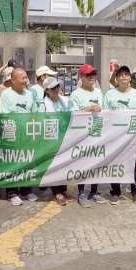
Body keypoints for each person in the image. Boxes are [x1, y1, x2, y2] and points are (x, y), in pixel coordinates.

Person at [102, 65, 136, 204]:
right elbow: (104, 115)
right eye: (121, 74)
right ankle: (115, 191)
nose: (124, 76)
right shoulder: (109, 94)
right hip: (115, 137)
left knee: (134, 164)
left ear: (130, 78)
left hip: (132, 137)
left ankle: (135, 191)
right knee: (115, 163)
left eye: (127, 74)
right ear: (117, 78)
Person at [0, 68, 39, 206]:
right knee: (13, 163)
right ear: (13, 80)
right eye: (22, 78)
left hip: (27, 134)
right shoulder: (6, 94)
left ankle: (26, 190)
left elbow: (34, 114)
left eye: (26, 77)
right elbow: (3, 114)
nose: (25, 80)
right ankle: (12, 192)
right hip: (12, 134)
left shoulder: (30, 94)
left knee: (27, 161)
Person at [69, 64, 107, 206]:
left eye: (93, 74)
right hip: (81, 135)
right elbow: (72, 115)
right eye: (88, 75)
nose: (92, 77)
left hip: (96, 132)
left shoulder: (98, 92)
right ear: (81, 77)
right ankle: (81, 193)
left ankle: (94, 191)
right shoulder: (75, 94)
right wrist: (89, 108)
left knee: (96, 163)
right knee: (83, 164)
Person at [42, 77, 75, 206]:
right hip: (51, 139)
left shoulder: (65, 100)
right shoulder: (44, 104)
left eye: (57, 87)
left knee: (65, 164)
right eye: (52, 88)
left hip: (65, 137)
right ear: (47, 91)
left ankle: (63, 189)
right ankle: (56, 192)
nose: (56, 90)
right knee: (54, 165)